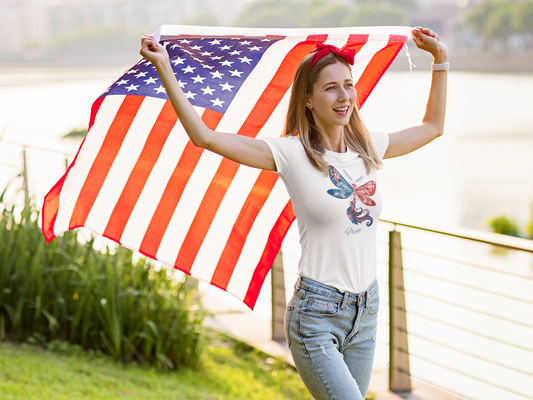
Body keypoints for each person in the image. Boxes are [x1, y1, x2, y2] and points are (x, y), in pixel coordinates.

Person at [140, 27, 447, 400]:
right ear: (307, 99)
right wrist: (165, 69)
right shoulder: (290, 153)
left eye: (348, 85)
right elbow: (204, 137)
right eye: (330, 87)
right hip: (315, 315)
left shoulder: (369, 148)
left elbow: (433, 127)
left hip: (365, 310)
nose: (344, 96)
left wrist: (440, 60)